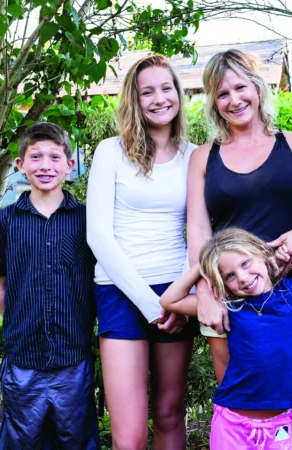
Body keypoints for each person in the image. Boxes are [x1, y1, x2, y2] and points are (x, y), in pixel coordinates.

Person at [187, 49, 292, 448]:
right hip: (228, 301)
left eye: (240, 87)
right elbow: (197, 229)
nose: (233, 99)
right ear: (213, 102)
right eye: (222, 93)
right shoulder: (202, 157)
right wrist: (206, 292)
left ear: (257, 87)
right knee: (246, 415)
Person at [86, 55, 197, 450]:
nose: (158, 99)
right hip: (120, 290)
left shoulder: (194, 155)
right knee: (129, 434)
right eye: (146, 91)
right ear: (134, 99)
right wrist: (153, 305)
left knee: (169, 413)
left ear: (178, 94)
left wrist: (182, 297)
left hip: (177, 289)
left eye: (166, 88)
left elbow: (200, 230)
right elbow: (98, 236)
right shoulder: (109, 152)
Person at [160, 228, 292, 450]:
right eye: (229, 276)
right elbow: (169, 300)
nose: (242, 277)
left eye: (245, 263)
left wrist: (282, 250)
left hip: (279, 425)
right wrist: (202, 267)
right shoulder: (231, 306)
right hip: (232, 426)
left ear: (261, 254)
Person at [0, 123, 99, 449]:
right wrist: (21, 326)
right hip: (23, 360)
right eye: (35, 157)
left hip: (72, 358)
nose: (45, 165)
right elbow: (0, 284)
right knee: (22, 439)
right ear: (20, 165)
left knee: (75, 439)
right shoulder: (4, 222)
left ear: (69, 165)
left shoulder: (88, 220)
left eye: (54, 157)